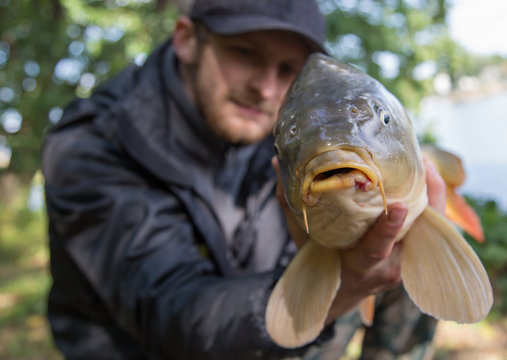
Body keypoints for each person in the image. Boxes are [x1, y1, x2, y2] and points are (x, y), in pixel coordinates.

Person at [42, 0, 447, 359]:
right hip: (153, 346)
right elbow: (172, 315)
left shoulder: (284, 129)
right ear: (186, 39)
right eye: (245, 53)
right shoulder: (92, 145)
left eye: (288, 69)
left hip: (259, 322)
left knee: (406, 246)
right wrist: (347, 287)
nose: (266, 88)